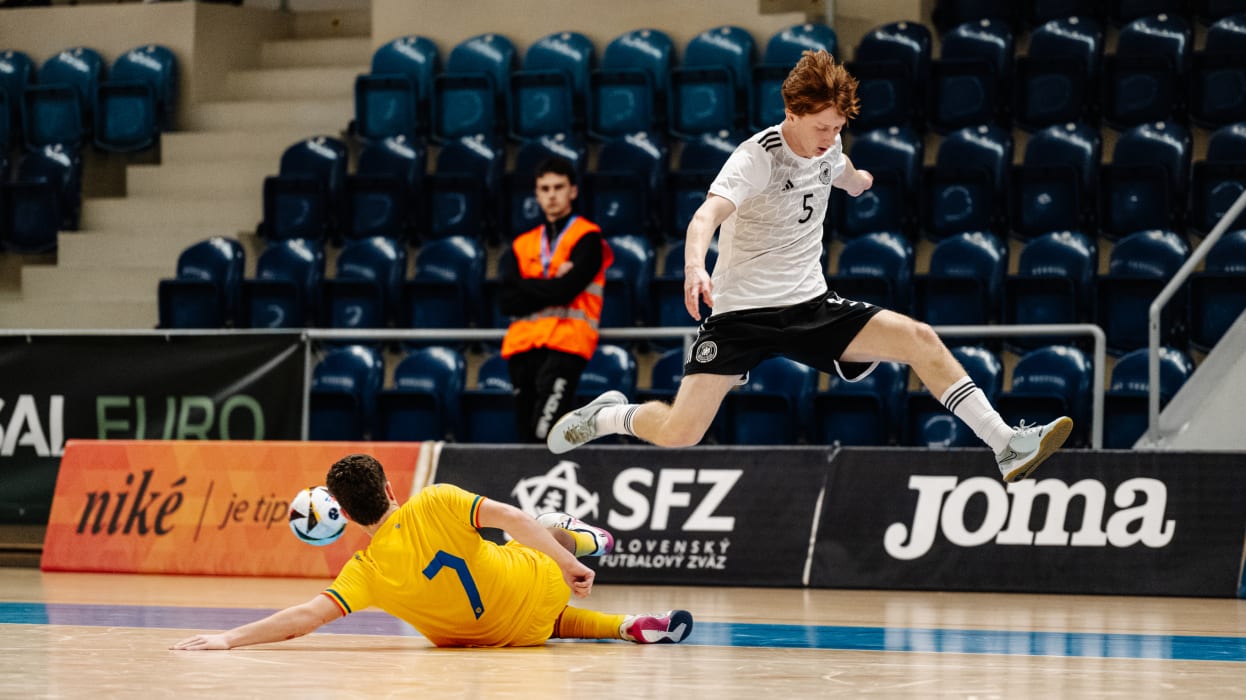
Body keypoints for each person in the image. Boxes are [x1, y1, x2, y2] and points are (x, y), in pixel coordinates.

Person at [546, 50, 1072, 482]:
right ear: (792, 112)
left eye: (837, 126)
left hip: (809, 306)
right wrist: (693, 268)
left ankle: (1005, 443)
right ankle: (609, 415)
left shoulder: (829, 146)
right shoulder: (756, 158)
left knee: (919, 338)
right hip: (740, 315)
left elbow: (837, 166)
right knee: (681, 432)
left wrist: (857, 181)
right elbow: (705, 216)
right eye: (821, 125)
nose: (828, 135)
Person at [170, 453, 692, 650]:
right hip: (538, 589)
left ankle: (626, 625)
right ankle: (583, 542)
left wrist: (228, 638)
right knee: (536, 528)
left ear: (345, 516)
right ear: (390, 489)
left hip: (500, 639)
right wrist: (571, 564)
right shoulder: (436, 499)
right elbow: (512, 517)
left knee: (545, 623)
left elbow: (305, 618)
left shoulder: (365, 571)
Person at [497, 156, 614, 443]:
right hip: (523, 344)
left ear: (573, 191)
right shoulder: (522, 244)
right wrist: (554, 284)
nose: (551, 195)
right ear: (537, 194)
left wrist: (525, 284)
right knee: (526, 434)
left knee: (545, 432)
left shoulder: (587, 237)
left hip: (567, 342)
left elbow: (566, 291)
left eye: (558, 187)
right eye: (545, 189)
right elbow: (506, 301)